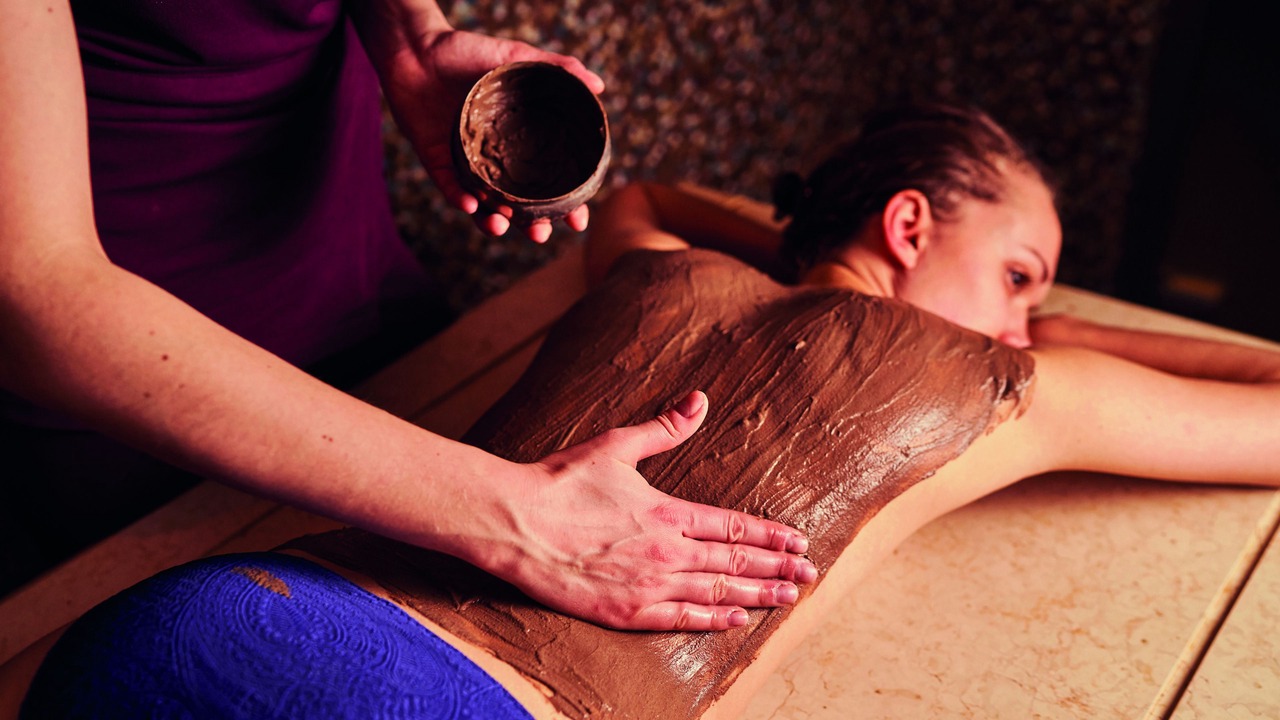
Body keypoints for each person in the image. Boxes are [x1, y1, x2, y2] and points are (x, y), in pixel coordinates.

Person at [10, 103, 1280, 719]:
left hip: (201, 620)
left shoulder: (648, 269)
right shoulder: (1002, 389)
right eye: (1017, 277)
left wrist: (817, 250)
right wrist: (1054, 336)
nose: (1017, 322)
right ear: (905, 225)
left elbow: (656, 189)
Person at [0, 0, 815, 628]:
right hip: (142, 418)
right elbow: (37, 299)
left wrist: (408, 35)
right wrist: (517, 517)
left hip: (364, 288)